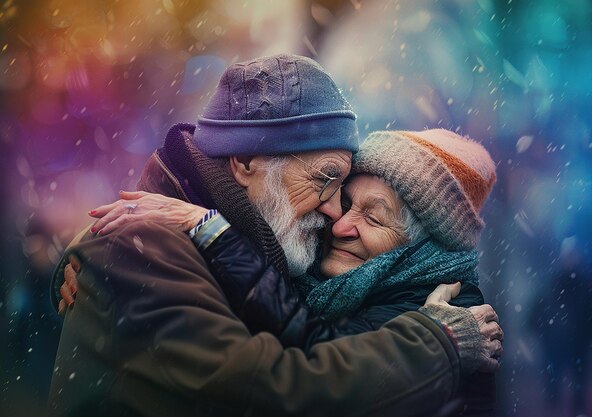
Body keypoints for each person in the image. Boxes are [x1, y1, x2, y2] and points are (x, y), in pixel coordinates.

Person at [49, 54, 502, 417]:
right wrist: (435, 343)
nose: (333, 216)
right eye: (327, 180)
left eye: (346, 195)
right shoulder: (147, 242)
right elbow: (270, 390)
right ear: (246, 162)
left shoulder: (264, 248)